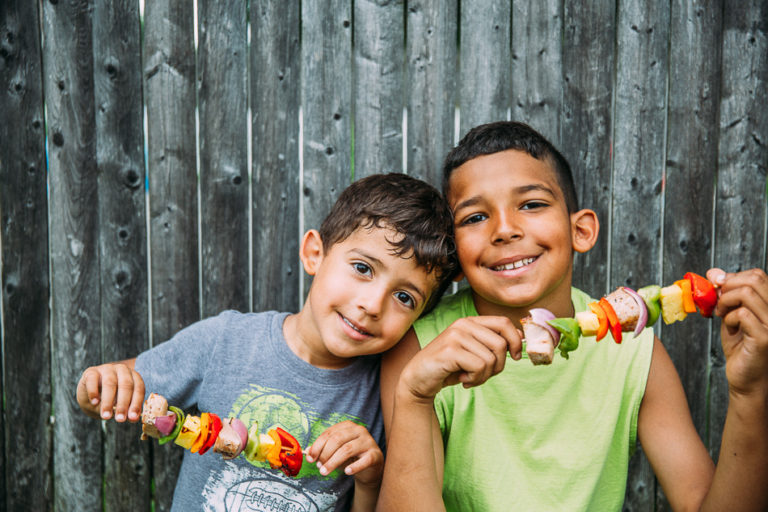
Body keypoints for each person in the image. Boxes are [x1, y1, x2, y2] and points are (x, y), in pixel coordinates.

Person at [377, 121, 768, 511]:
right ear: (455, 258)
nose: (505, 229)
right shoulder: (422, 354)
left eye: (531, 204)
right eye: (475, 217)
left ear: (580, 230)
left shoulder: (634, 356)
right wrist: (414, 395)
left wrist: (749, 393)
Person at [77, 173, 459, 512]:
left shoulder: (384, 398)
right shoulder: (225, 341)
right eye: (362, 268)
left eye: (404, 297)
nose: (372, 305)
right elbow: (113, 394)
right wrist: (102, 386)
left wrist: (369, 479)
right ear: (315, 253)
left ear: (418, 317)